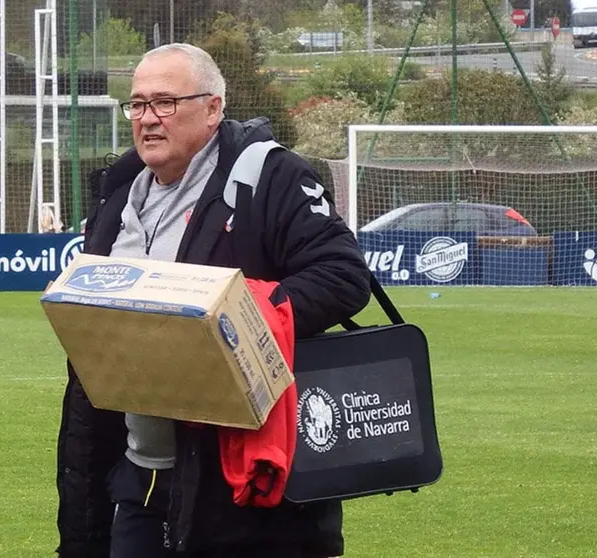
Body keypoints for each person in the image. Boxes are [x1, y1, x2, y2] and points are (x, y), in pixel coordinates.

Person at [54, 43, 372, 558]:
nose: (148, 119)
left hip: (239, 491)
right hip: (140, 475)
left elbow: (342, 276)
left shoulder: (271, 177)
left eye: (165, 102)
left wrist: (229, 317)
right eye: (137, 104)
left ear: (213, 107)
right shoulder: (117, 193)